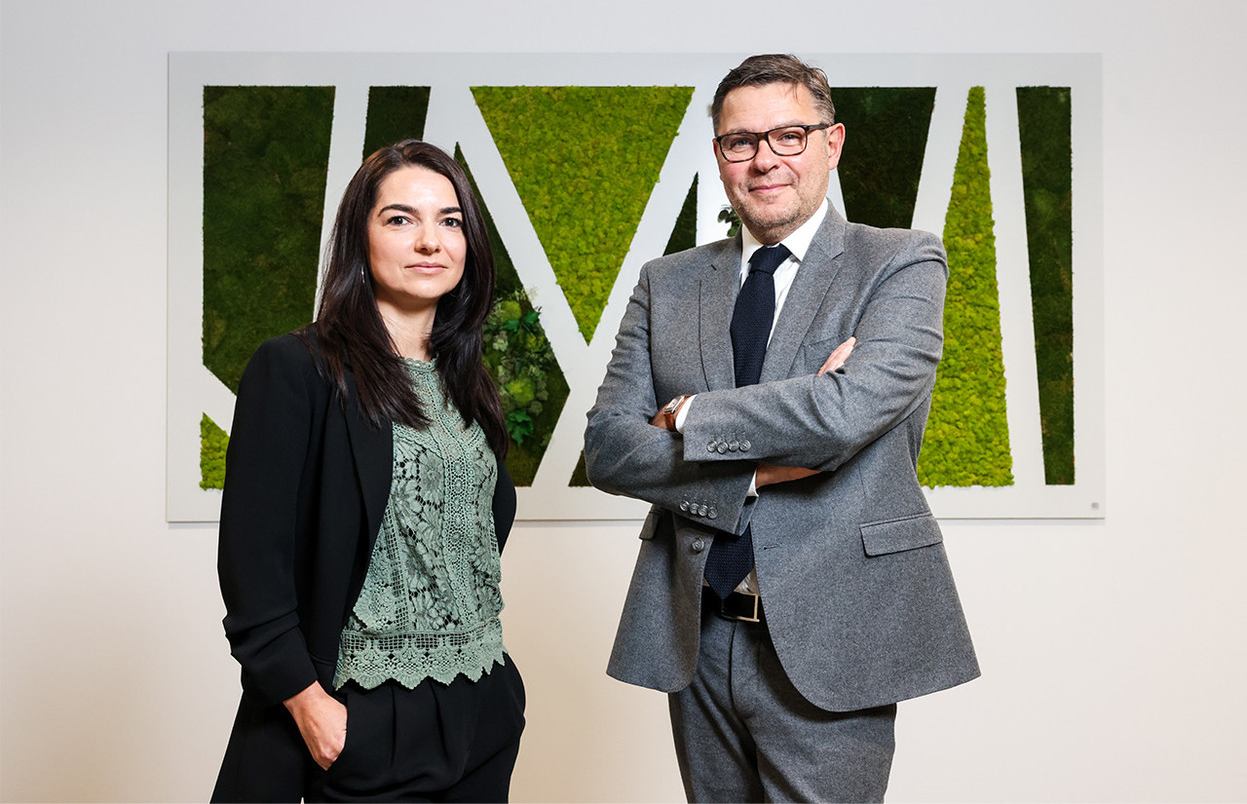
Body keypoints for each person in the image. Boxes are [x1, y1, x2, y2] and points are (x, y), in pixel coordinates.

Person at [584, 54, 979, 802]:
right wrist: (757, 470)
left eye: (788, 135)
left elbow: (842, 416)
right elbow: (608, 447)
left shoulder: (898, 263)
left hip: (834, 636)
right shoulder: (665, 282)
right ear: (719, 157)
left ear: (830, 144)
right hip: (695, 632)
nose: (764, 158)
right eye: (741, 141)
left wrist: (689, 413)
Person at [212, 140, 525, 802]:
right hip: (362, 712)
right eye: (400, 219)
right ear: (360, 235)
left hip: (482, 704)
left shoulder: (467, 382)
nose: (429, 241)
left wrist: (500, 697)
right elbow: (252, 562)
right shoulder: (297, 369)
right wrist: (306, 703)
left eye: (450, 221)